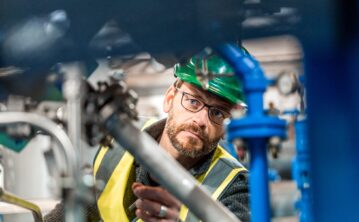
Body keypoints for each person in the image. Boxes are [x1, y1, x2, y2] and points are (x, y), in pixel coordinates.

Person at [45, 51, 250, 222]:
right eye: (193, 101)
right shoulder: (119, 142)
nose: (201, 121)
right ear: (169, 98)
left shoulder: (235, 188)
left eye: (217, 113)